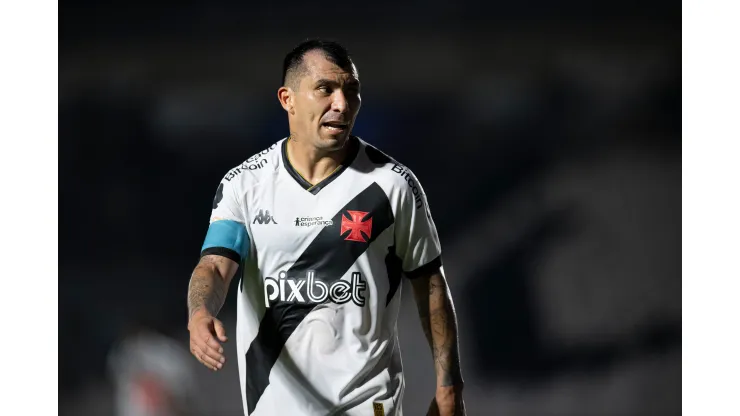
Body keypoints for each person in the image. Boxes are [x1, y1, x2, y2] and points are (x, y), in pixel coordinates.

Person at [186, 39, 466, 416]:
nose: (342, 104)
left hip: (368, 404)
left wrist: (449, 387)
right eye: (326, 89)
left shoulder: (393, 185)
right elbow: (215, 266)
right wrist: (200, 311)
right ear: (288, 99)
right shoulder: (245, 185)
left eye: (351, 91)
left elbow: (430, 286)